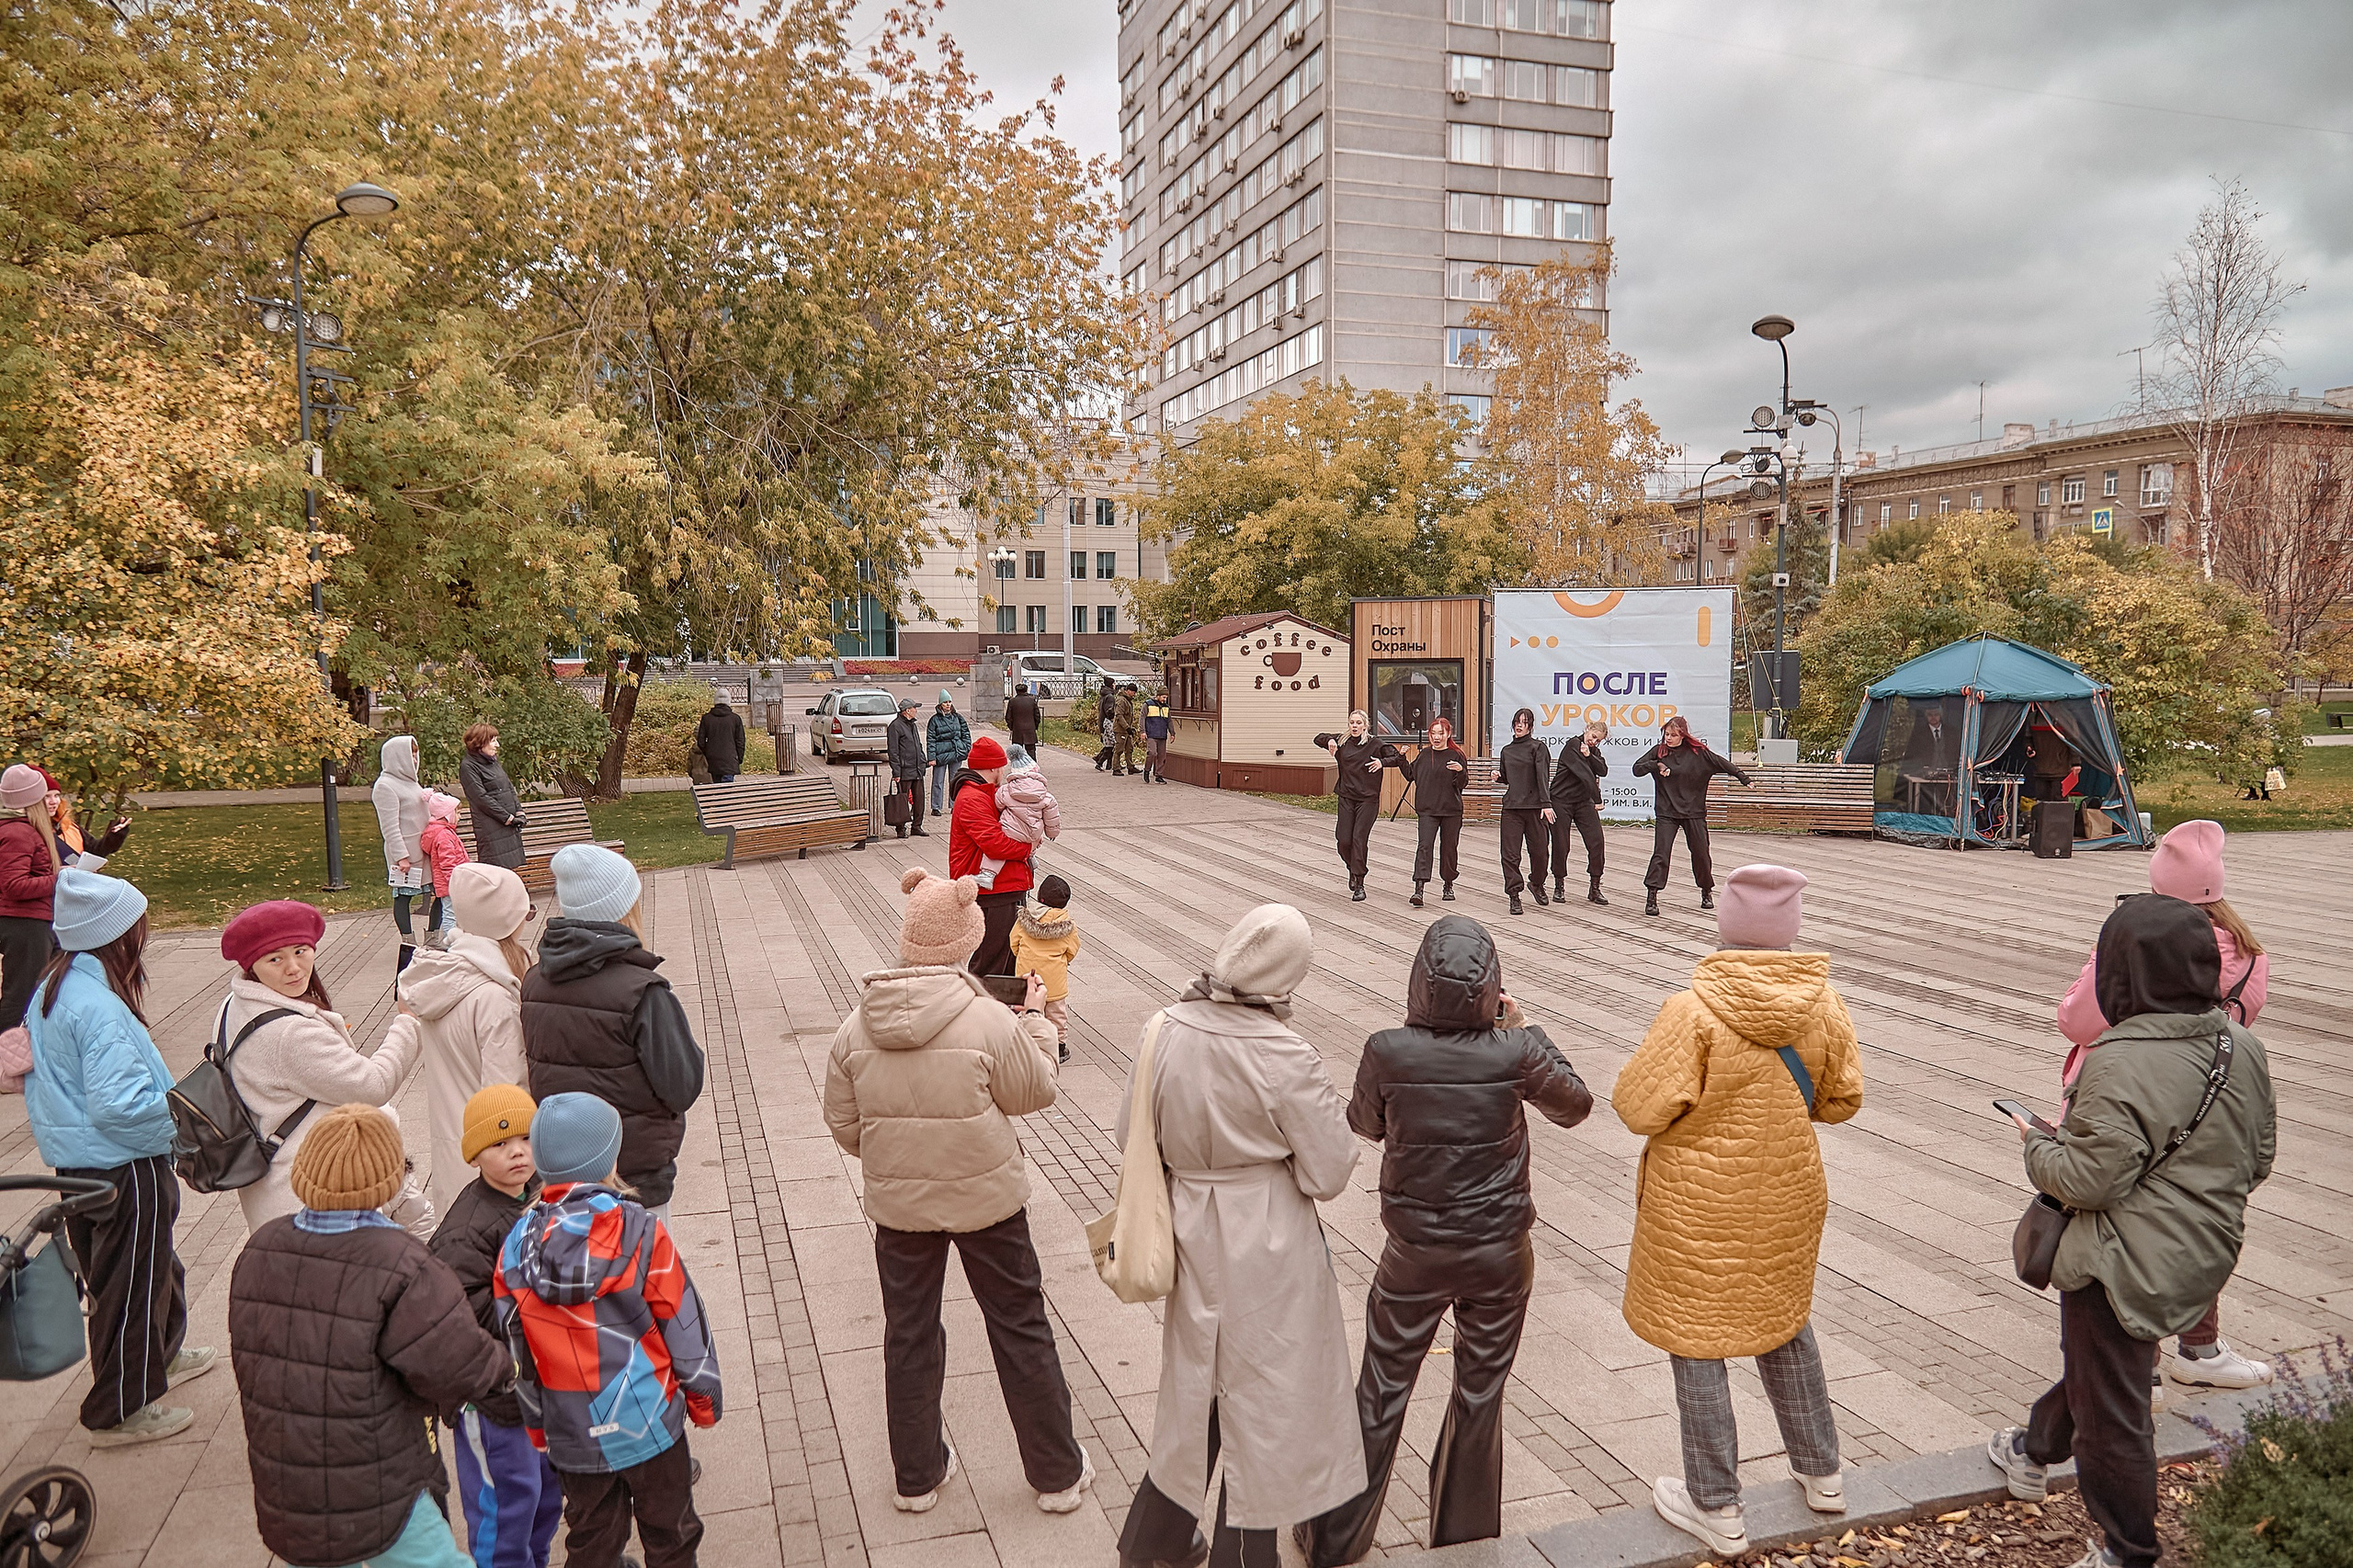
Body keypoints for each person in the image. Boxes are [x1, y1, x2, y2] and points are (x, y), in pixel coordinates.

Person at [1988, 894, 2276, 1568]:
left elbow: (2085, 1181)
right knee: (2107, 1373)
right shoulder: (2242, 1046)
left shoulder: (2116, 1059)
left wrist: (2036, 1141)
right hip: (2205, 1250)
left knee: (2114, 1417)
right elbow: (2258, 1159)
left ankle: (2128, 1550)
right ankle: (2032, 1449)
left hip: (2117, 1262)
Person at [1299, 915, 1591, 1565]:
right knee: (1480, 1392)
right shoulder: (1515, 1051)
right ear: (1491, 986)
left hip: (1415, 1252)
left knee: (1381, 1388)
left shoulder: (1388, 1050)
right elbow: (1575, 1105)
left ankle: (1334, 1540)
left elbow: (1364, 1124)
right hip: (1500, 1252)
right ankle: (1464, 1543)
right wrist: (1525, 1029)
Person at [823, 869, 1091, 1516]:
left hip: (899, 1209)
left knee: (909, 1333)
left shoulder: (857, 1026)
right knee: (1020, 1326)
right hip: (988, 1200)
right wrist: (1035, 1022)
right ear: (969, 941)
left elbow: (844, 1124)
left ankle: (916, 1477)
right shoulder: (988, 1019)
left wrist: (896, 1158)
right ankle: (1056, 1475)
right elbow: (1035, 1092)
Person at [1614, 865, 1863, 1558]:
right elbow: (1841, 1100)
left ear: (1726, 924)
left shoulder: (1691, 1011)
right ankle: (1823, 1472)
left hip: (1696, 1203)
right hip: (1785, 1192)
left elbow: (1639, 1107)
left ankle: (1716, 1503)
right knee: (1784, 1321)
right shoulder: (1823, 1005)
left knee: (1697, 1338)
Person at [1118, 904, 1361, 1568]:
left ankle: (1154, 1542)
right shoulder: (1285, 1053)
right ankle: (1245, 1556)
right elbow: (1330, 1170)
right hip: (1267, 1236)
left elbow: (1129, 1129)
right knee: (1265, 1397)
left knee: (1196, 1383)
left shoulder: (1163, 1027)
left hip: (1187, 1221)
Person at [231, 1103, 510, 1568]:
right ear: (390, 1179)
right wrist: (508, 1366)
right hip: (383, 1487)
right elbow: (456, 1364)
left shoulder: (260, 1249)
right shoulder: (403, 1264)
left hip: (288, 1484)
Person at [2055, 820, 2273, 1394]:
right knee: (2192, 1220)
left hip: (2124, 1100)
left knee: (2119, 1224)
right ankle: (2201, 1348)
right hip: (2209, 1105)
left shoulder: (2130, 947)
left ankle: (2139, 1368)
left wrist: (2097, 964)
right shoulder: (2250, 955)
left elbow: (2076, 1020)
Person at [22, 869, 213, 1447]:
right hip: (124, 1164)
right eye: (137, 927)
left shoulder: (57, 987)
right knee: (131, 1281)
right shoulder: (98, 1006)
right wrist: (183, 1119)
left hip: (81, 1162)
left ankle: (163, 1351)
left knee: (144, 1268)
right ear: (115, 936)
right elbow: (120, 1106)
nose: (143, 936)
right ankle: (119, 1407)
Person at [497, 1093, 722, 1568]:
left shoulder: (516, 1249)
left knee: (592, 1541)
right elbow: (683, 1322)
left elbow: (518, 1353)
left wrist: (538, 1425)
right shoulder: (641, 1231)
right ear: (609, 1161)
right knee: (672, 1535)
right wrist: (703, 1400)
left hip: (573, 1430)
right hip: (649, 1419)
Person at [220, 899, 434, 1237]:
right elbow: (373, 1085)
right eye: (275, 959)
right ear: (252, 964)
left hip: (274, 1189)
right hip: (315, 1198)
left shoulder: (236, 1003)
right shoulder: (290, 1033)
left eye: (301, 951)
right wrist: (407, 1021)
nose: (293, 968)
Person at [523, 845, 704, 1221]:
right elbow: (682, 1086)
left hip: (560, 1171)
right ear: (624, 907)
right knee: (643, 1259)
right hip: (632, 1175)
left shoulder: (534, 981)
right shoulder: (643, 993)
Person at [430, 1085, 560, 1568]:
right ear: (474, 1156)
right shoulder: (466, 1231)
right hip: (493, 1400)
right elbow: (458, 1320)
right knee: (505, 1511)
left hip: (539, 1389)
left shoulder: (540, 1196)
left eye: (526, 1139)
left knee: (545, 1499)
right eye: (500, 1144)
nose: (517, 1152)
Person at [392, 862, 535, 1215]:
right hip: (496, 1164)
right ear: (507, 921)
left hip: (456, 1149)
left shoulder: (442, 975)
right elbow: (507, 1093)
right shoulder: (494, 997)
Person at [1632, 716, 1750, 917]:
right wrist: (1656, 765)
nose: (1668, 738)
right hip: (1667, 812)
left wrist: (1743, 778)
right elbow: (1637, 769)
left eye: (1673, 735)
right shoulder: (1658, 752)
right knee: (1661, 853)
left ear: (1683, 735)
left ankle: (1706, 890)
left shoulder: (1698, 753)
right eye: (1666, 734)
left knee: (1700, 852)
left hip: (1693, 812)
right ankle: (1652, 896)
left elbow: (1723, 764)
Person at [947, 736, 1035, 977]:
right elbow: (995, 844)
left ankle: (998, 1002)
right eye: (1002, 766)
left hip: (1002, 889)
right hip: (992, 892)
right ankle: (978, 1001)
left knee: (1006, 963)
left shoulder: (985, 794)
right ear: (994, 767)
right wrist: (1027, 849)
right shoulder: (972, 798)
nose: (1004, 772)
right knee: (990, 964)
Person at [1, 764, 65, 1062]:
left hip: (38, 921)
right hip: (24, 924)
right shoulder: (19, 833)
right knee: (21, 995)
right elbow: (14, 886)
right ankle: (6, 1063)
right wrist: (60, 879)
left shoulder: (25, 830)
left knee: (50, 984)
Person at [1317, 711, 1401, 902]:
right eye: (1352, 722)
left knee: (1358, 839)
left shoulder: (1375, 744)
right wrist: (1330, 740)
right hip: (1347, 797)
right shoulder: (1342, 741)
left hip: (1367, 800)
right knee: (1343, 841)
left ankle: (1360, 883)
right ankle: (1352, 868)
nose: (1354, 726)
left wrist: (1382, 762)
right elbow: (1317, 738)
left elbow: (1396, 758)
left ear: (1365, 726)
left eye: (1358, 723)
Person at [373, 734, 431, 974]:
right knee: (403, 897)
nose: (414, 759)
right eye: (410, 754)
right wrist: (401, 856)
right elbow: (389, 826)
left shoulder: (412, 782)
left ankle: (433, 938)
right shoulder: (385, 786)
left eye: (416, 754)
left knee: (437, 892)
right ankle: (409, 940)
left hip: (426, 849)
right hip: (408, 853)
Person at [1009, 873, 1079, 1063]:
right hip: (1055, 981)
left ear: (1040, 897)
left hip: (1028, 978)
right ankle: (1059, 1047)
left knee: (1028, 1010)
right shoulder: (1068, 926)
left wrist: (1023, 957)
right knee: (1056, 1014)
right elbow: (1072, 950)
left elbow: (1014, 943)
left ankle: (1028, 1044)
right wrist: (1062, 961)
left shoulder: (1024, 920)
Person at [1403, 716, 1469, 909]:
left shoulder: (1456, 755)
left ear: (1448, 734)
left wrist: (1460, 771)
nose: (1437, 737)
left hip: (1451, 810)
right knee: (1424, 846)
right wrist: (1401, 758)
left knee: (1449, 849)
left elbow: (1462, 784)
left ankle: (1448, 884)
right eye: (1433, 733)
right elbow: (1410, 775)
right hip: (1427, 810)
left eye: (1441, 733)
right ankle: (1419, 888)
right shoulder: (1424, 755)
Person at [977, 743, 1060, 891]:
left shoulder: (1005, 790)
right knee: (1035, 836)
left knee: (998, 850)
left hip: (1012, 830)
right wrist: (1052, 833)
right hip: (1033, 833)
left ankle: (988, 874)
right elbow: (1051, 817)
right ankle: (1031, 858)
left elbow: (998, 804)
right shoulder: (1046, 796)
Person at [1497, 707, 1553, 915]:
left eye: (1525, 722)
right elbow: (1507, 777)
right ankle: (1514, 894)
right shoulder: (1507, 751)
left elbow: (1542, 777)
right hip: (1512, 808)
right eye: (1517, 722)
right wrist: (1499, 777)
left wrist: (1546, 803)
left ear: (1531, 726)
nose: (1520, 725)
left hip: (1535, 808)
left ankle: (1537, 883)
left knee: (1540, 853)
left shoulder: (1538, 748)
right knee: (1510, 854)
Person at [1549, 719, 1610, 906]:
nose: (1594, 741)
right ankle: (1559, 885)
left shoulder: (1593, 751)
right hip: (1561, 800)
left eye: (1598, 740)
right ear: (1587, 729)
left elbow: (1603, 770)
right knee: (1561, 843)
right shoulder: (1572, 746)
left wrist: (1590, 755)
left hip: (1583, 802)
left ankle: (1595, 886)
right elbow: (1585, 775)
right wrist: (1598, 799)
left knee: (1596, 841)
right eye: (1593, 736)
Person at [460, 722, 529, 871]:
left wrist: (519, 812)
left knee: (513, 871)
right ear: (480, 742)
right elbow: (480, 798)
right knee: (497, 872)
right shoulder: (468, 766)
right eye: (493, 741)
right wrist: (507, 818)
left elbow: (508, 787)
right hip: (491, 828)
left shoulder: (492, 761)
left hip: (509, 826)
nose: (497, 745)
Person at [419, 790, 472, 948]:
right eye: (458, 813)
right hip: (450, 884)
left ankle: (455, 943)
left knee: (453, 913)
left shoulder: (445, 832)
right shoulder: (443, 835)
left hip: (452, 882)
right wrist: (455, 883)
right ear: (447, 814)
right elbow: (447, 863)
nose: (460, 817)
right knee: (450, 915)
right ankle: (451, 945)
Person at [1897, 699, 1961, 816]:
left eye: (1936, 714)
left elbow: (1957, 753)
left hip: (1948, 776)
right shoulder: (1918, 734)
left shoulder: (1952, 732)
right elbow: (1913, 755)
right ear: (1926, 716)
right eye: (1930, 715)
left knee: (1950, 799)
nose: (1933, 717)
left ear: (1941, 715)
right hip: (1926, 777)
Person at [887, 695, 929, 838]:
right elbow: (893, 751)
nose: (916, 710)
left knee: (919, 800)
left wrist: (923, 761)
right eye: (914, 708)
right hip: (904, 770)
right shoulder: (895, 726)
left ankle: (917, 826)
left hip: (917, 769)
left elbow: (918, 745)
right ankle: (900, 828)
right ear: (907, 711)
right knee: (902, 800)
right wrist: (896, 772)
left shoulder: (913, 725)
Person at [927, 689, 972, 816]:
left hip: (956, 753)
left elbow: (966, 734)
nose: (948, 704)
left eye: (949, 702)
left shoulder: (958, 717)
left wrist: (966, 748)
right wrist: (931, 757)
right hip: (941, 754)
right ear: (940, 704)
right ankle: (936, 807)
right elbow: (931, 739)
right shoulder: (934, 720)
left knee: (955, 781)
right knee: (938, 781)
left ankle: (954, 804)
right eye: (945, 702)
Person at [694, 689, 745, 784]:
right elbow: (740, 741)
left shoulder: (706, 718)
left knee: (716, 786)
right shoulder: (735, 719)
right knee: (727, 789)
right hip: (730, 760)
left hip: (713, 760)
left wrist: (708, 753)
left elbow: (701, 742)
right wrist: (739, 758)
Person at [1142, 687, 1172, 783]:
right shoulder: (1148, 705)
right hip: (1151, 733)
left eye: (1166, 697)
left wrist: (1172, 733)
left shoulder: (1166, 707)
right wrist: (1142, 731)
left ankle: (1159, 775)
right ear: (1158, 696)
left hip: (1162, 734)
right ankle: (1147, 770)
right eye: (1163, 697)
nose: (1165, 699)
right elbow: (1142, 718)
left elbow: (1169, 721)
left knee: (1162, 756)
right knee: (1152, 752)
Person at [1006, 681, 1042, 757]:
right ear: (1026, 690)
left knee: (1017, 752)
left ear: (1016, 691)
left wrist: (1012, 727)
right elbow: (1037, 716)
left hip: (1017, 730)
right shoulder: (1031, 700)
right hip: (1030, 729)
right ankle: (1032, 764)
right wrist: (1035, 726)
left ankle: (1017, 764)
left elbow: (1008, 717)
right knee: (1031, 752)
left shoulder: (1012, 701)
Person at [1114, 683, 1142, 776]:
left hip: (1126, 729)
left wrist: (1129, 728)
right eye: (1133, 692)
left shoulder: (1127, 700)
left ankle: (1130, 767)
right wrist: (1127, 727)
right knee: (1119, 749)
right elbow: (1119, 715)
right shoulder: (1121, 700)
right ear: (1128, 691)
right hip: (1120, 729)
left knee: (1129, 748)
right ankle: (1116, 768)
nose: (1134, 694)